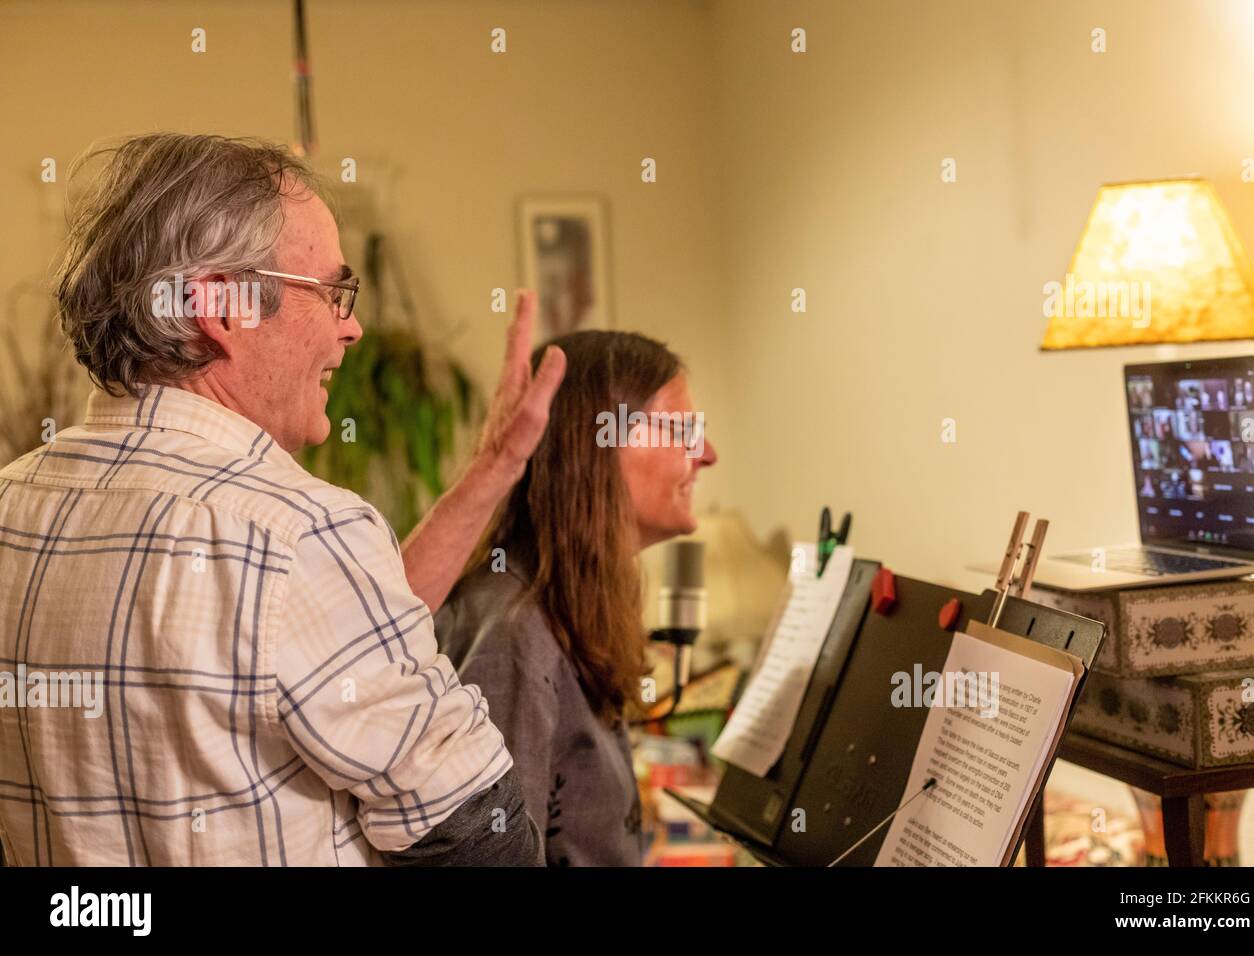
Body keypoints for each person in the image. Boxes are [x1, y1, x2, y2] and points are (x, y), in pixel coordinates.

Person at [0, 133, 566, 866]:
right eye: (332, 291)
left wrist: (493, 466)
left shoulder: (13, 506)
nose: (351, 325)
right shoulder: (296, 534)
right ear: (224, 308)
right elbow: (478, 841)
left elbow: (322, 649)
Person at [435, 330, 718, 866]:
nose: (707, 454)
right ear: (600, 445)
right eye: (685, 430)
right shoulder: (513, 636)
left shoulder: (559, 610)